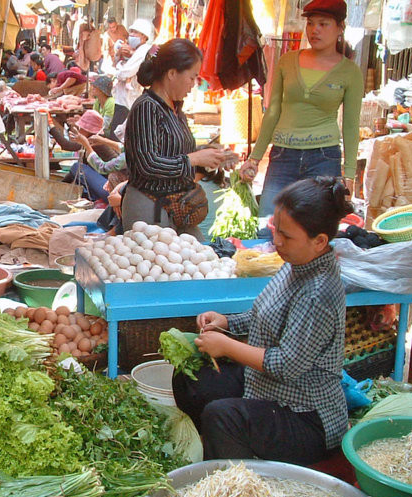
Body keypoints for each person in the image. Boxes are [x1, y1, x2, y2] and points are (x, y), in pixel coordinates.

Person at [173, 177, 353, 464]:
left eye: (287, 236)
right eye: (276, 231)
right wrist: (226, 323)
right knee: (191, 379)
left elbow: (286, 365)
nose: (277, 242)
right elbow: (262, 315)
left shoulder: (319, 292)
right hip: (266, 388)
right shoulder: (295, 265)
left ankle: (240, 484)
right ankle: (222, 450)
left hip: (305, 417)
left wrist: (227, 347)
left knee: (222, 416)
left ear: (319, 241)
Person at [239, 0, 363, 219]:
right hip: (283, 155)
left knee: (317, 228)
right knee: (269, 222)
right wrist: (254, 158)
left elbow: (352, 126)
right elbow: (273, 111)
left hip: (324, 157)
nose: (315, 30)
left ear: (340, 28)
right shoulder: (287, 61)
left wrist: (349, 174)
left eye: (323, 24)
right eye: (311, 23)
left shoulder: (350, 72)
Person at [123, 38, 228, 237]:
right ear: (172, 73)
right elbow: (148, 164)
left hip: (179, 207)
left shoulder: (176, 109)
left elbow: (181, 155)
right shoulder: (146, 107)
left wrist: (213, 158)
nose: (194, 85)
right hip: (149, 208)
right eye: (192, 77)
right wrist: (195, 159)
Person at [112, 19, 154, 134]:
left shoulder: (143, 50)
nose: (132, 35)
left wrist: (117, 71)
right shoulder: (135, 51)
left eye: (135, 32)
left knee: (118, 137)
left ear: (144, 36)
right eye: (131, 31)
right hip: (123, 100)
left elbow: (125, 73)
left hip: (128, 102)